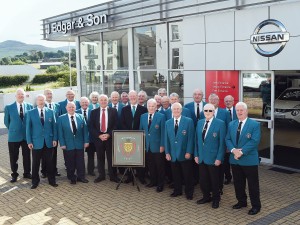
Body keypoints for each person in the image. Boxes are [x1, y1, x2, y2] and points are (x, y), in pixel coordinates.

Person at [226, 102, 261, 215]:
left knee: (253, 185)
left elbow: (254, 141)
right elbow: (227, 139)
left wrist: (241, 152)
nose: (240, 112)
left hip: (249, 160)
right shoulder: (232, 124)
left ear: (246, 111)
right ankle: (241, 202)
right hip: (235, 160)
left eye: (242, 110)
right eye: (238, 110)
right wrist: (233, 150)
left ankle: (256, 206)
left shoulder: (254, 124)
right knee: (238, 183)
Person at [194, 103, 226, 209]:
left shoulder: (220, 123)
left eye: (210, 111)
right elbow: (196, 141)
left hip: (213, 158)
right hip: (201, 157)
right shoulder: (199, 122)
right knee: (203, 180)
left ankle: (216, 199)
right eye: (206, 110)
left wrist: (219, 158)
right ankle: (206, 196)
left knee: (214, 180)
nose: (207, 113)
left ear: (213, 112)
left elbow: (222, 143)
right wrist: (196, 154)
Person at [26, 94, 58, 189]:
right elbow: (28, 128)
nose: (41, 102)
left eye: (42, 100)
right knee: (35, 163)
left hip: (48, 141)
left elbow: (54, 127)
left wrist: (55, 139)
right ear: (36, 101)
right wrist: (29, 141)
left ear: (44, 101)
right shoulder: (30, 112)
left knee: (50, 162)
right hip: (36, 142)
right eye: (39, 100)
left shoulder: (51, 112)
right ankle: (35, 182)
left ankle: (52, 180)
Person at [165, 103, 195, 200]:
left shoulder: (188, 121)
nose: (176, 111)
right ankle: (177, 191)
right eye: (174, 109)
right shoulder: (168, 122)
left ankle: (189, 193)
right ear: (171, 111)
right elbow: (166, 139)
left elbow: (191, 138)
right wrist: (167, 152)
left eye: (178, 109)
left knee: (187, 175)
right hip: (173, 154)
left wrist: (189, 152)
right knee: (175, 174)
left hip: (185, 153)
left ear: (181, 110)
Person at [4, 88, 33, 183]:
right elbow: (6, 122)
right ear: (15, 96)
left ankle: (27, 173)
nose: (21, 96)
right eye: (19, 94)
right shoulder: (9, 107)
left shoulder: (29, 106)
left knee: (27, 156)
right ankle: (14, 174)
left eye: (22, 94)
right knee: (13, 157)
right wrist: (13, 129)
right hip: (13, 136)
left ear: (24, 96)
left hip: (26, 136)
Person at [57, 102, 89, 184]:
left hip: (79, 143)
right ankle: (72, 177)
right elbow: (60, 133)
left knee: (80, 161)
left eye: (73, 107)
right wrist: (62, 143)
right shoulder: (61, 118)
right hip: (67, 144)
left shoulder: (81, 117)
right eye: (69, 107)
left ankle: (81, 177)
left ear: (75, 108)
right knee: (69, 162)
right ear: (66, 108)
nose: (71, 108)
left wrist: (86, 141)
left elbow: (85, 131)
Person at [90, 94, 119, 183]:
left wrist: (108, 134)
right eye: (101, 100)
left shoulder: (113, 111)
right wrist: (99, 135)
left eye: (105, 100)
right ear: (99, 101)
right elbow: (91, 126)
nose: (103, 102)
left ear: (108, 101)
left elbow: (116, 125)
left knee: (111, 158)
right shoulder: (93, 112)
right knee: (100, 157)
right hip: (99, 138)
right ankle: (101, 175)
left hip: (109, 138)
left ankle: (112, 176)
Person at [121, 90, 147, 184]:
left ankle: (141, 177)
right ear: (129, 97)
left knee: (140, 158)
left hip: (139, 137)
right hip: (128, 138)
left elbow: (144, 124)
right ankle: (129, 177)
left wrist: (138, 134)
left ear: (137, 97)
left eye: (134, 96)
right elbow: (122, 123)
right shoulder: (124, 109)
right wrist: (128, 133)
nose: (132, 98)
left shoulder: (143, 109)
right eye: (131, 96)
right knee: (129, 156)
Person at [139, 99, 166, 192]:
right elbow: (141, 131)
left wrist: (162, 145)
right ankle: (153, 181)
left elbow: (163, 133)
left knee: (160, 166)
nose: (151, 108)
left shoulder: (161, 116)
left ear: (156, 107)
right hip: (147, 146)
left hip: (158, 146)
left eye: (153, 106)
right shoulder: (143, 116)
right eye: (149, 106)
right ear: (147, 107)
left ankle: (160, 184)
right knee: (151, 166)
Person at [42, 88, 60, 178]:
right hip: (44, 135)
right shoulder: (41, 105)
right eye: (47, 93)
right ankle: (44, 171)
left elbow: (59, 119)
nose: (49, 95)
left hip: (54, 134)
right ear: (44, 95)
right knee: (44, 154)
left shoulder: (57, 105)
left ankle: (54, 170)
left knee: (54, 153)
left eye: (50, 93)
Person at [76, 97, 96, 176]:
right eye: (83, 102)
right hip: (79, 137)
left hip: (91, 137)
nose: (84, 104)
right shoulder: (76, 112)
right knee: (79, 155)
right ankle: (80, 171)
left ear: (89, 103)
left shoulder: (93, 112)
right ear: (80, 103)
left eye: (86, 102)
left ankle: (91, 171)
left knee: (91, 155)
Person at [223, 95, 238, 185]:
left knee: (236, 161)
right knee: (226, 162)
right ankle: (228, 177)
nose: (228, 102)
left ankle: (237, 178)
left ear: (233, 102)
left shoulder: (238, 111)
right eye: (226, 101)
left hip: (237, 140)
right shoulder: (221, 112)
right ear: (224, 102)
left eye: (230, 101)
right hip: (226, 140)